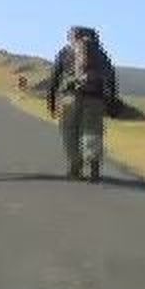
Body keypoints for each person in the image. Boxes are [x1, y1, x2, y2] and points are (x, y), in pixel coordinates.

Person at [47, 26, 119, 182]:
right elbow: (111, 79)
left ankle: (75, 168)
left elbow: (54, 77)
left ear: (73, 37)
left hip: (69, 98)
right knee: (92, 132)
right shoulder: (101, 55)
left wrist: (51, 101)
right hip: (95, 99)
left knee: (70, 133)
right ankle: (93, 169)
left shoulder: (66, 52)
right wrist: (112, 102)